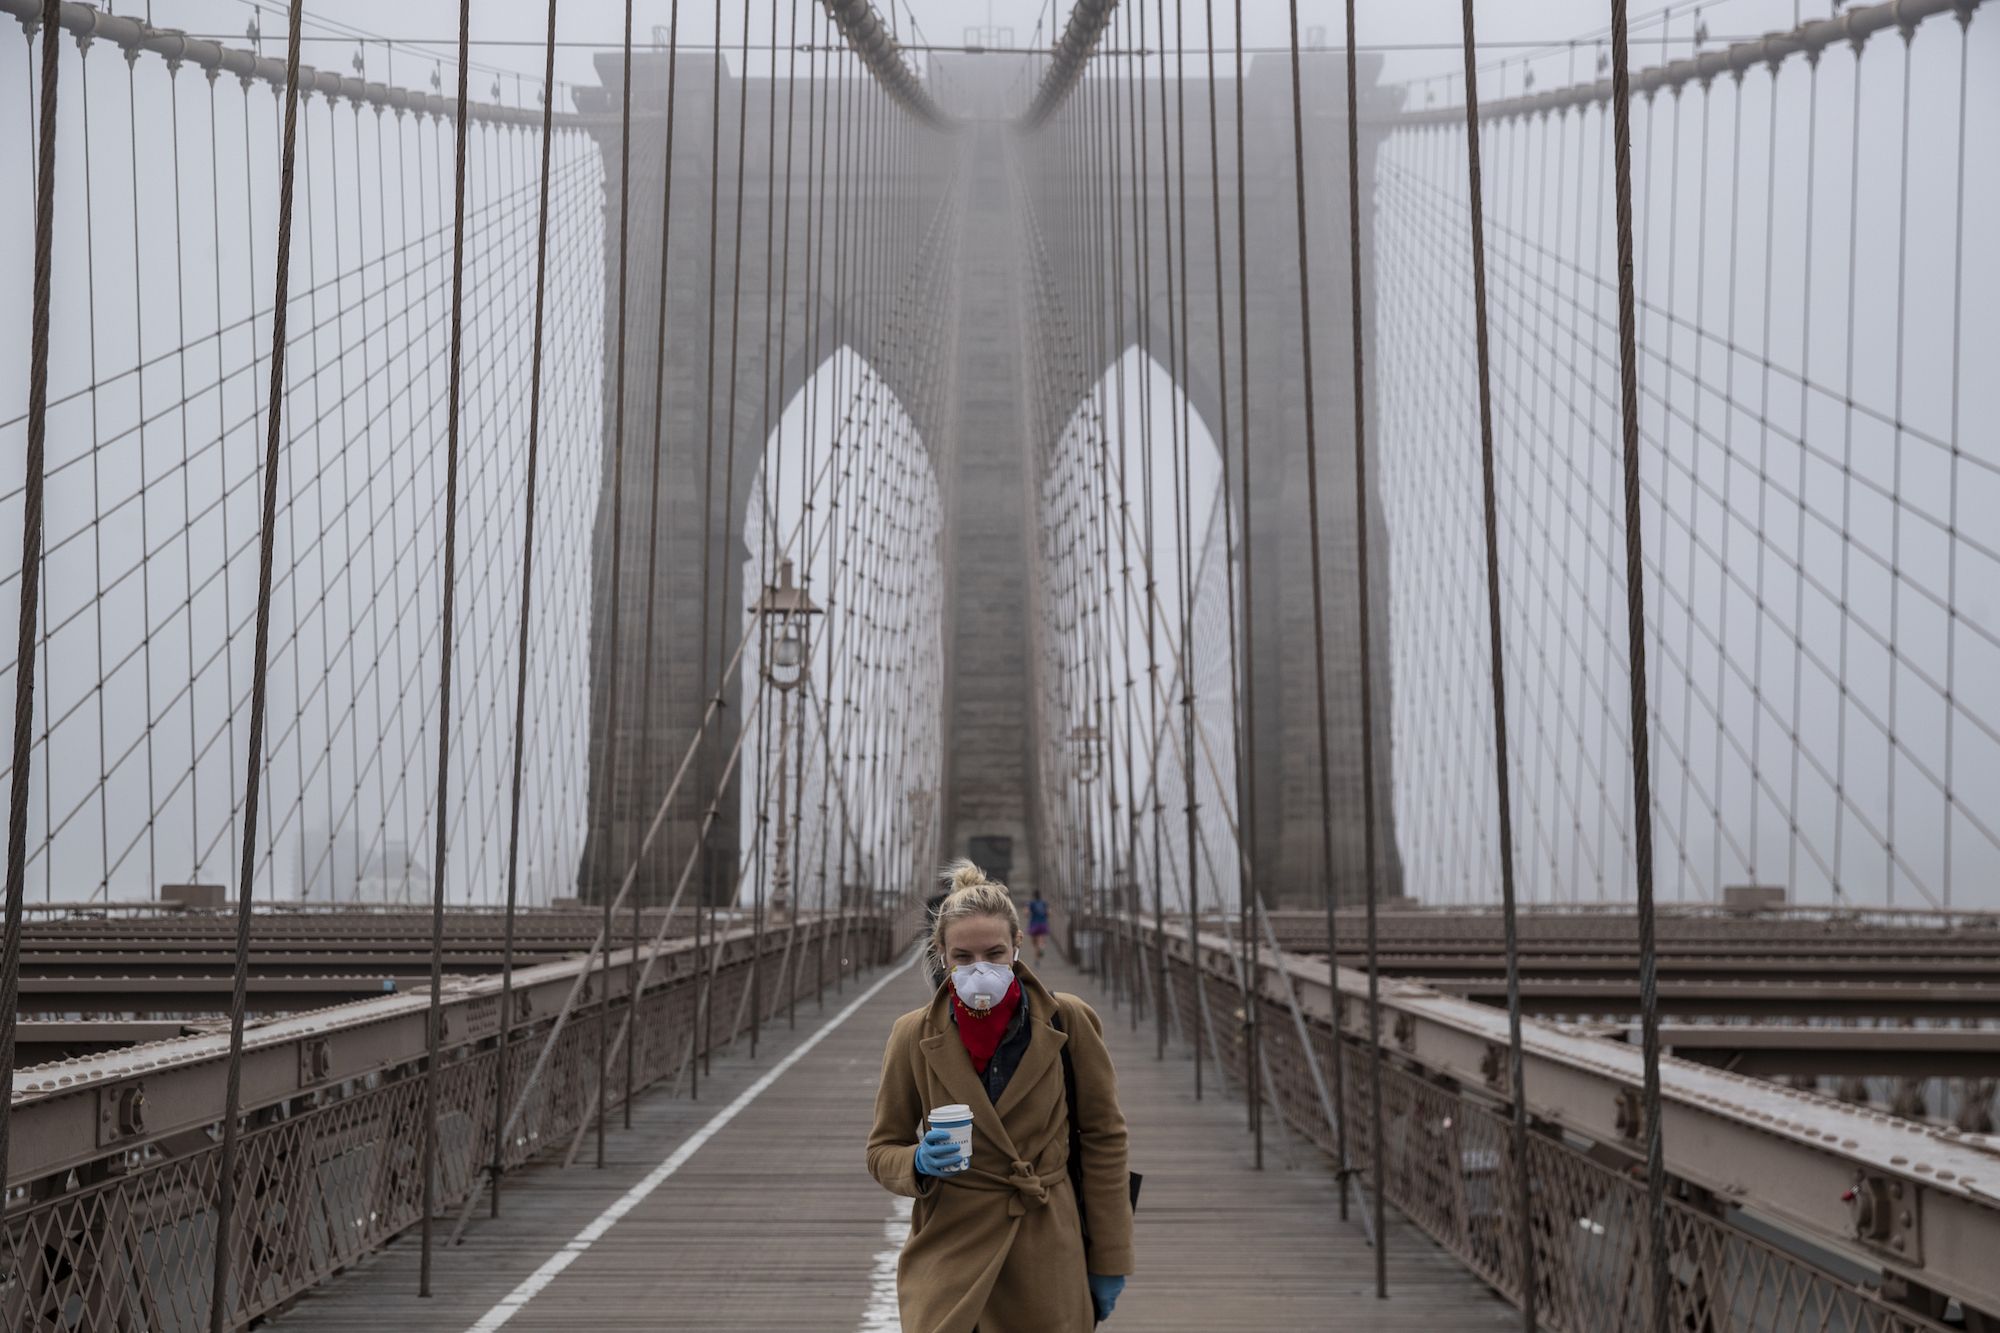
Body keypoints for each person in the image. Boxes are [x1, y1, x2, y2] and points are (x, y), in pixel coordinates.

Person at [867, 861, 1134, 1332]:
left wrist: (1110, 1259)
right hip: (949, 1255)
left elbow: (1104, 1139)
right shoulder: (911, 1035)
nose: (979, 969)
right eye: (963, 958)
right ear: (942, 957)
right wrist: (917, 1163)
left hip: (1044, 1252)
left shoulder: (1066, 1021)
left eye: (994, 953)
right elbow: (881, 1149)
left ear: (1017, 946)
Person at [1024, 891, 1051, 963]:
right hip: (1043, 923)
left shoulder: (1031, 903)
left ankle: (1037, 959)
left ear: (1033, 896)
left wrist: (1028, 914)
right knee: (1041, 939)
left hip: (1034, 924)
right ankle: (1041, 948)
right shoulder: (1044, 903)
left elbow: (1026, 913)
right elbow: (1049, 913)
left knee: (1034, 942)